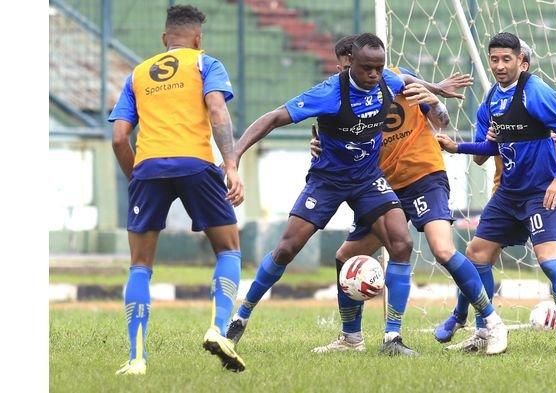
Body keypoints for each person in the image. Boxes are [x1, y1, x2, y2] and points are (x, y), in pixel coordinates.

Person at [224, 33, 468, 357]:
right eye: (367, 68)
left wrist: (436, 88)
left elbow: (405, 78)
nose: (374, 75)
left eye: (379, 68)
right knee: (287, 248)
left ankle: (392, 339)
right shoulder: (328, 94)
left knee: (402, 242)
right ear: (350, 62)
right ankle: (240, 318)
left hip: (368, 179)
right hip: (328, 180)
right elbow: (272, 118)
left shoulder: (386, 79)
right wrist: (235, 156)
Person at [308, 35, 508, 356]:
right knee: (346, 256)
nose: (361, 77)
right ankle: (351, 339)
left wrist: (434, 98)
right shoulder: (341, 95)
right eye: (350, 70)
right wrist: (319, 145)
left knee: (442, 249)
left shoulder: (397, 80)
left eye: (367, 69)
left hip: (424, 175)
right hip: (382, 186)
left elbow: (441, 121)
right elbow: (334, 139)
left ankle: (491, 323)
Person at [435, 32, 556, 354]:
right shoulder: (492, 100)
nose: (499, 65)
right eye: (494, 59)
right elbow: (488, 148)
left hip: (541, 192)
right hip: (508, 192)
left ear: (522, 63)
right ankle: (483, 329)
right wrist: (457, 147)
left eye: (506, 59)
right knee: (476, 255)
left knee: (552, 262)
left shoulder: (536, 92)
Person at [109, 5, 246, 374]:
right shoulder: (205, 64)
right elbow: (217, 110)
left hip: (149, 165)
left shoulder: (137, 73)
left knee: (140, 265)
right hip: (195, 163)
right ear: (197, 38)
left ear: (164, 39)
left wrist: (135, 178)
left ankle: (136, 358)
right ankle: (218, 329)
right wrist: (230, 164)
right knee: (229, 249)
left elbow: (120, 137)